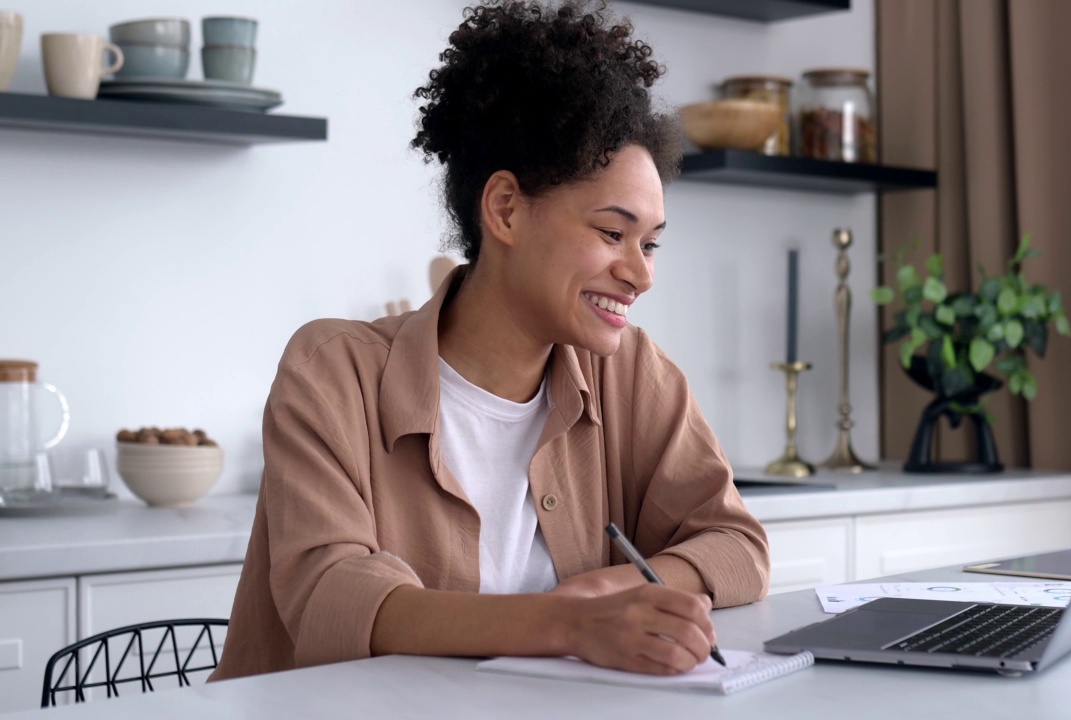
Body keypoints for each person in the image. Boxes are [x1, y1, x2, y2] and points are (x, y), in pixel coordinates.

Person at [210, 0, 769, 681]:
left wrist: (607, 591)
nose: (641, 274)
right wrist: (568, 624)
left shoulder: (631, 374)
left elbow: (738, 545)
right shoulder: (334, 371)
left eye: (650, 244)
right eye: (612, 234)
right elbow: (334, 597)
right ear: (505, 209)